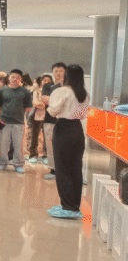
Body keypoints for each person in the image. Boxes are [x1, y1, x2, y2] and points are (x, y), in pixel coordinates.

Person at [46, 64, 89, 219]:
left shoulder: (62, 91)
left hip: (63, 129)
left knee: (62, 168)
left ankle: (67, 206)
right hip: (77, 129)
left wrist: (48, 102)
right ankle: (74, 205)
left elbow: (53, 111)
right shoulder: (84, 94)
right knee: (75, 168)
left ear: (67, 76)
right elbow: (83, 114)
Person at [0, 69, 33, 173]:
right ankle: (2, 163)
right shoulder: (3, 90)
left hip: (18, 122)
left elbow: (28, 107)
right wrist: (6, 112)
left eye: (17, 78)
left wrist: (18, 112)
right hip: (4, 121)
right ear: (9, 78)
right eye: (13, 77)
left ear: (21, 79)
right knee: (3, 144)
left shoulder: (25, 91)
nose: (15, 79)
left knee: (18, 145)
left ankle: (18, 164)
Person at [41, 62, 66, 181]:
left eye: (61, 71)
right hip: (49, 119)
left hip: (65, 120)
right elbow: (44, 100)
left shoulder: (68, 86)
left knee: (64, 145)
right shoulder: (48, 86)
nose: (58, 73)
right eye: (56, 71)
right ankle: (53, 169)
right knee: (50, 145)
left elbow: (71, 101)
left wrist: (53, 100)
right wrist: (61, 100)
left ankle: (64, 170)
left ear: (65, 72)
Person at [29, 74, 51, 163]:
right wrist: (45, 104)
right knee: (34, 137)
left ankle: (46, 155)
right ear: (41, 82)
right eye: (44, 80)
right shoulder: (37, 91)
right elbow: (35, 103)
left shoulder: (53, 92)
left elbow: (53, 103)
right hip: (37, 117)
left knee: (47, 138)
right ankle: (33, 154)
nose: (46, 82)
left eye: (48, 80)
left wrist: (43, 104)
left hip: (49, 117)